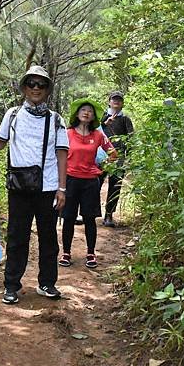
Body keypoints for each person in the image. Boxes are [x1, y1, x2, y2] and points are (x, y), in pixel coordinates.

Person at [0, 65, 69, 304]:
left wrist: (62, 188)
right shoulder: (12, 115)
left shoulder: (56, 120)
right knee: (17, 237)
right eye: (31, 83)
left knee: (48, 237)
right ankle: (11, 285)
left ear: (47, 90)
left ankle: (47, 283)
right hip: (19, 187)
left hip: (48, 187)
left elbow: (62, 153)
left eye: (41, 85)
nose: (35, 88)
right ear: (24, 87)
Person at [59, 99, 116, 268]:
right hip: (69, 179)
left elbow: (113, 154)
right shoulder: (67, 133)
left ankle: (91, 253)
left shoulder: (98, 135)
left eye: (90, 111)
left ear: (93, 116)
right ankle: (66, 253)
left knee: (89, 218)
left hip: (90, 181)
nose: (86, 113)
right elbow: (58, 154)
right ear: (77, 114)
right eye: (83, 110)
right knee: (68, 218)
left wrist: (101, 167)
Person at [99, 91, 134, 227]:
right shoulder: (101, 116)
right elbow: (93, 131)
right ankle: (87, 212)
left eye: (119, 100)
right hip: (101, 154)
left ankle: (109, 215)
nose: (116, 102)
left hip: (118, 156)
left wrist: (129, 156)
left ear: (122, 103)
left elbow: (131, 138)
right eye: (114, 99)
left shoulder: (125, 119)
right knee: (94, 183)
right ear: (109, 101)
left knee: (115, 185)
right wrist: (104, 124)